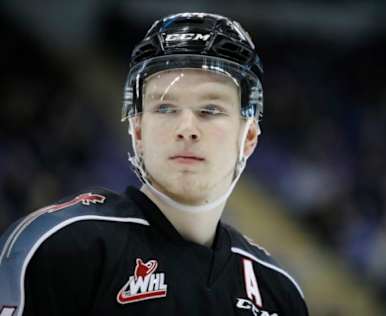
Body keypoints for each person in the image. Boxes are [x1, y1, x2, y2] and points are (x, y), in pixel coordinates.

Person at [0, 12, 308, 316]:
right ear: (137, 130)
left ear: (249, 136)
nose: (186, 128)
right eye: (165, 107)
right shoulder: (60, 246)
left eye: (211, 109)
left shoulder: (278, 292)